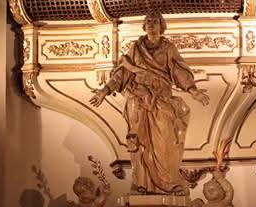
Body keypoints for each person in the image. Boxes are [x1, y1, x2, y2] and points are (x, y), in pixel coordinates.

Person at [89, 11, 209, 195]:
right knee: (138, 141)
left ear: (162, 25)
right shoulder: (136, 48)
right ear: (144, 26)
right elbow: (123, 72)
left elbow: (178, 71)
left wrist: (193, 90)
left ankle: (169, 182)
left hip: (161, 98)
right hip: (138, 97)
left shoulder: (168, 48)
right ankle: (141, 184)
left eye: (155, 21)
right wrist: (104, 91)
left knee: (165, 141)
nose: (151, 24)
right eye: (148, 21)